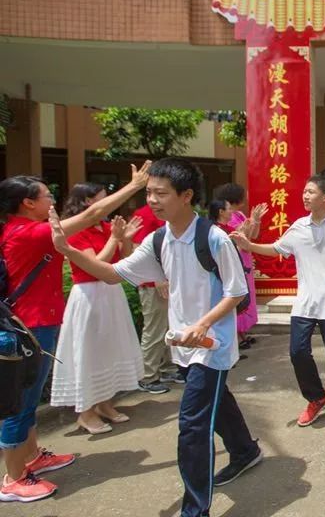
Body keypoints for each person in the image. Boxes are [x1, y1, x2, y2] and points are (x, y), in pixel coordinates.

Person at [49, 157, 262, 517]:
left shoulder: (213, 238)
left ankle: (195, 510)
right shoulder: (158, 239)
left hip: (212, 346)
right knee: (216, 401)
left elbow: (236, 291)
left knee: (192, 426)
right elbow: (114, 274)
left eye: (161, 193)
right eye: (149, 192)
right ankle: (245, 451)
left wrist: (205, 324)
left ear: (186, 195)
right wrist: (68, 251)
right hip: (182, 344)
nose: (152, 200)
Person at [0, 162, 150, 503]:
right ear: (27, 203)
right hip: (31, 325)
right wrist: (133, 186)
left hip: (40, 321)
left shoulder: (29, 227)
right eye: (46, 196)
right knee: (20, 404)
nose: (51, 200)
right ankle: (12, 479)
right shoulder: (27, 232)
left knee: (29, 395)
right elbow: (91, 213)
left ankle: (32, 456)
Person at [230, 175, 325, 431]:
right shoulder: (298, 226)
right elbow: (277, 248)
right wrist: (248, 245)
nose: (305, 196)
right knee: (297, 352)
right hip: (304, 301)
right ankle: (317, 397)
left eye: (311, 192)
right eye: (304, 191)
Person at [50, 184, 145, 435]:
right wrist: (115, 239)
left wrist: (125, 239)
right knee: (89, 353)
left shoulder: (105, 227)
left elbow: (123, 259)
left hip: (110, 293)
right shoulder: (75, 229)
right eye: (104, 201)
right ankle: (85, 412)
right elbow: (95, 264)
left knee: (109, 350)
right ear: (86, 203)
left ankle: (105, 403)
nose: (109, 206)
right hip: (89, 294)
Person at [132, 202, 182, 394]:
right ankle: (147, 376)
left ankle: (167, 368)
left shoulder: (171, 212)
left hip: (170, 282)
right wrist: (157, 277)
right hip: (153, 284)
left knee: (170, 327)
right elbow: (138, 250)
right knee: (154, 329)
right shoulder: (144, 214)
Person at [213, 183, 269, 351]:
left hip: (244, 256)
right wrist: (249, 224)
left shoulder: (238, 214)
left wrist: (255, 220)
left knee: (246, 294)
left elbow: (252, 236)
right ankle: (237, 335)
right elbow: (237, 236)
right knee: (238, 294)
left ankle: (242, 333)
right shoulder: (228, 218)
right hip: (237, 256)